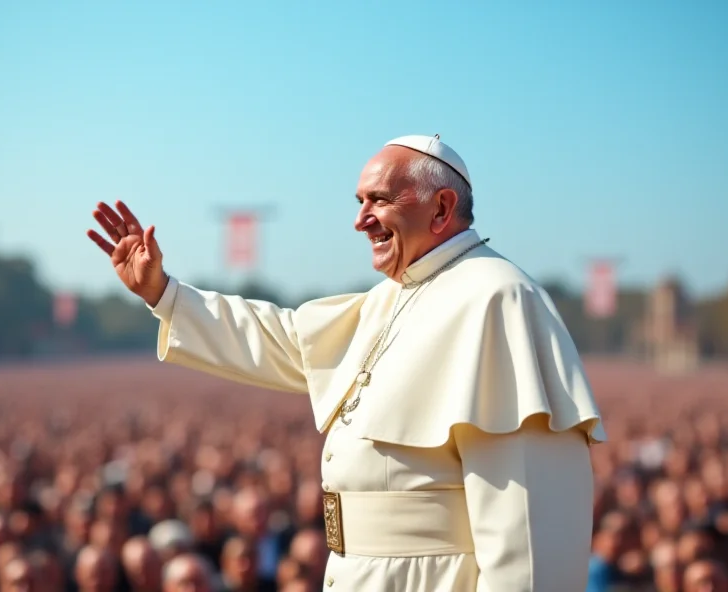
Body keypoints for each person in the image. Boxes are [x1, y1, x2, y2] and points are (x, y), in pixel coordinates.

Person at [88, 134, 606, 590]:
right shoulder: (392, 297)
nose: (360, 220)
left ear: (441, 207)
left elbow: (529, 541)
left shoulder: (499, 299)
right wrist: (164, 293)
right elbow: (285, 340)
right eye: (360, 201)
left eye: (378, 200)